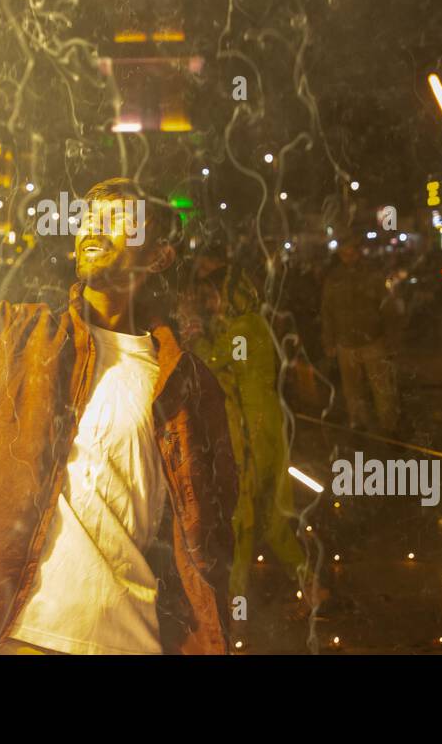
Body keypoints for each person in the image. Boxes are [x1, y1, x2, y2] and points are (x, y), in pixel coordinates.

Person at [0, 177, 237, 654]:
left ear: (159, 256)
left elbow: (211, 530)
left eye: (120, 219)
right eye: (89, 217)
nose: (94, 227)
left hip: (118, 633)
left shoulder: (187, 385)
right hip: (9, 627)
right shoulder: (23, 337)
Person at [178, 255, 305, 609]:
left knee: (246, 518)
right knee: (269, 517)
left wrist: (193, 335)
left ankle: (235, 603)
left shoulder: (245, 329)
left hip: (253, 430)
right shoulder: (248, 325)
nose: (210, 302)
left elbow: (214, 362)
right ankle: (309, 586)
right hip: (259, 427)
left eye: (214, 294)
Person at [320, 237, 400, 434]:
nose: (348, 256)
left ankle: (389, 426)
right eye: (344, 252)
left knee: (381, 387)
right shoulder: (334, 278)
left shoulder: (372, 275)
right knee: (352, 390)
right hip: (345, 342)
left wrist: (391, 338)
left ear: (357, 251)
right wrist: (329, 341)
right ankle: (358, 422)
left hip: (372, 339)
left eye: (351, 251)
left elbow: (388, 309)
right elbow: (327, 312)